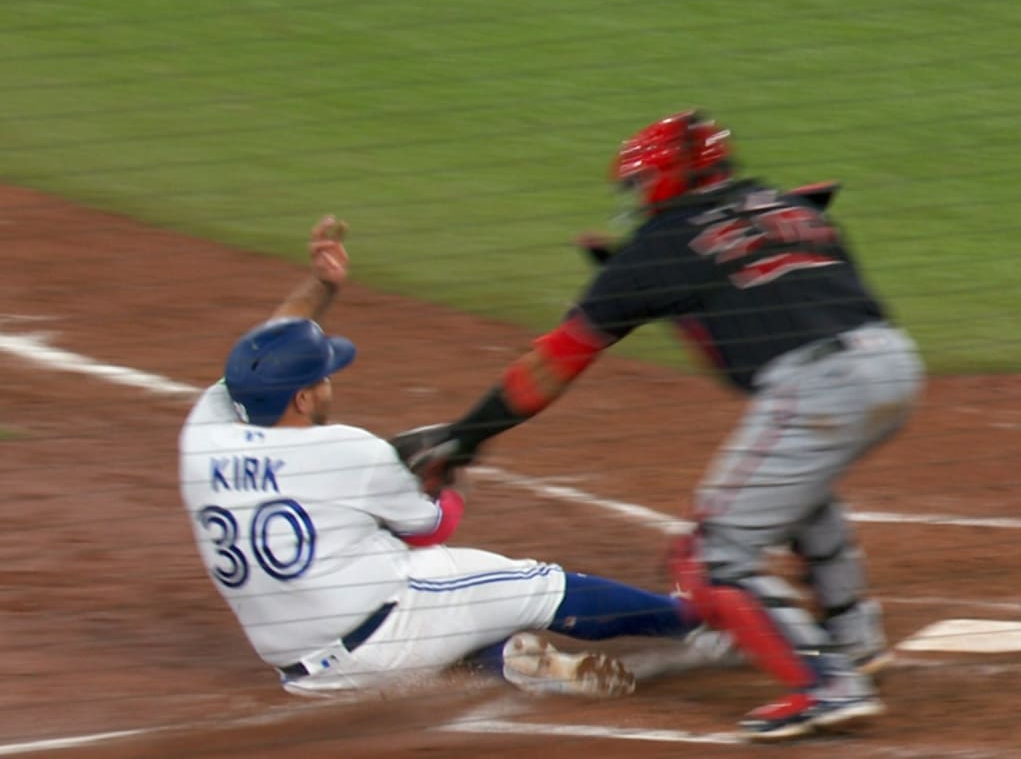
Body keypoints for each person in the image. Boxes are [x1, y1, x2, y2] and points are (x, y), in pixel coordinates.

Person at [416, 110, 926, 741]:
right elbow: (747, 288)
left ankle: (826, 683)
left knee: (710, 556)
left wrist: (469, 434)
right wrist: (645, 285)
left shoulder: (662, 245)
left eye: (639, 182)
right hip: (895, 365)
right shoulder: (786, 209)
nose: (634, 197)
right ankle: (853, 640)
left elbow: (556, 360)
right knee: (799, 492)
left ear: (666, 179)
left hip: (818, 387)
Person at [177, 215, 702, 700]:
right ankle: (696, 618)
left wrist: (324, 286)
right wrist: (448, 481)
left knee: (454, 607)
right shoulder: (345, 449)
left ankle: (510, 662)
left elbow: (262, 351)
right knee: (534, 584)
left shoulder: (203, 433)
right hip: (388, 637)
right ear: (303, 398)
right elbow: (431, 529)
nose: (328, 378)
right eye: (323, 375)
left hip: (307, 675)